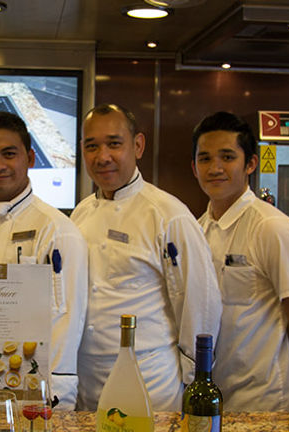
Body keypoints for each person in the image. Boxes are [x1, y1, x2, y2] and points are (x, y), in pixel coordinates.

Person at [70, 103, 222, 411]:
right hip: (87, 381)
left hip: (151, 383)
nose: (103, 157)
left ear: (138, 145)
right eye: (92, 146)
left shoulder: (169, 215)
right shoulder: (80, 214)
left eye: (114, 143)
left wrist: (192, 381)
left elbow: (200, 305)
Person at [0, 111, 88, 409]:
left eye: (9, 154)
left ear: (30, 158)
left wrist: (52, 395)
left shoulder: (57, 231)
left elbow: (66, 319)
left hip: (36, 393)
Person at [191, 111, 289, 411]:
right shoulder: (198, 229)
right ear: (194, 168)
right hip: (212, 398)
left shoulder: (272, 228)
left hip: (262, 401)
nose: (215, 168)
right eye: (205, 159)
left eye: (227, 157)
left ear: (250, 163)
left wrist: (285, 361)